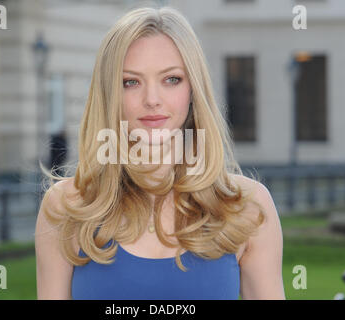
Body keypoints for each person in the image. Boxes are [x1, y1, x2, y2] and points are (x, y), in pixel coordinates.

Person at [35, 6, 285, 300]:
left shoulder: (248, 207)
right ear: (109, 93)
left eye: (171, 80)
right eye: (131, 82)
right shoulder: (66, 208)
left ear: (193, 88)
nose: (152, 100)